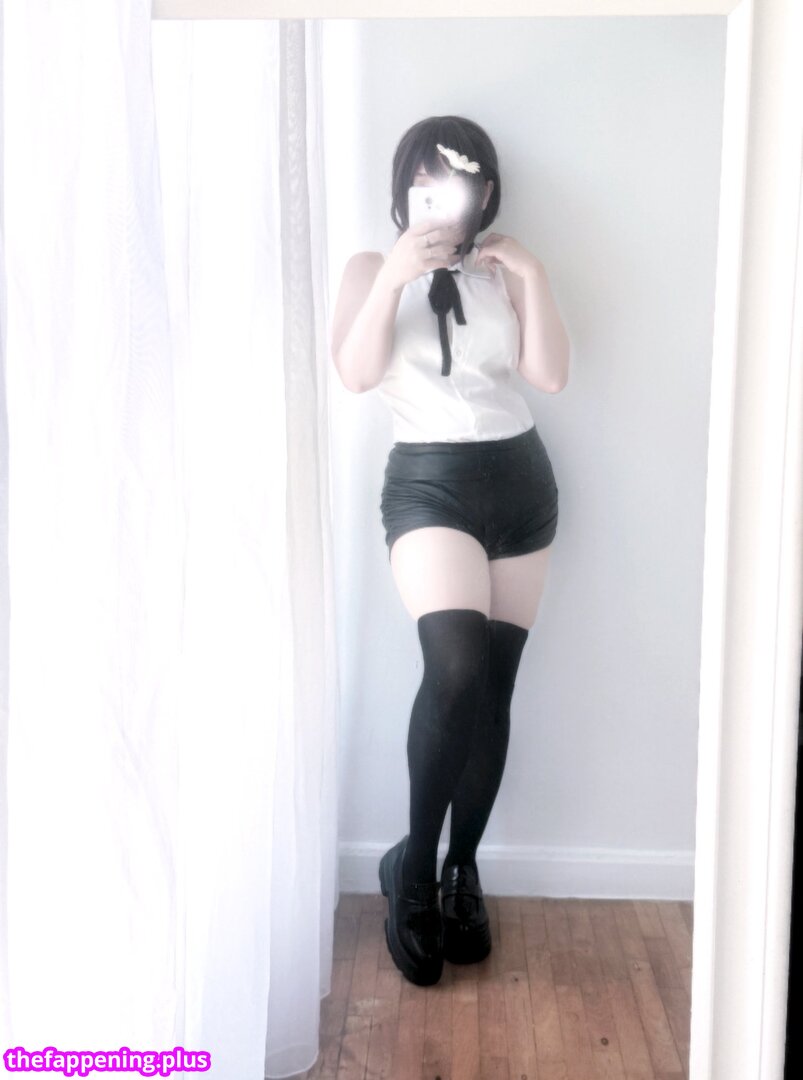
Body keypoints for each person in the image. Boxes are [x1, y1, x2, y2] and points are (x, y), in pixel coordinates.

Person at [330, 115, 570, 986]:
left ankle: (463, 867)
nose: (439, 196)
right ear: (403, 188)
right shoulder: (369, 267)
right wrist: (396, 275)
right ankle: (414, 869)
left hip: (520, 482)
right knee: (457, 665)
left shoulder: (504, 270)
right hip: (428, 485)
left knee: (494, 687)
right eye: (423, 181)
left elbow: (548, 376)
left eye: (458, 182)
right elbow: (355, 374)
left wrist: (531, 274)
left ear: (485, 193)